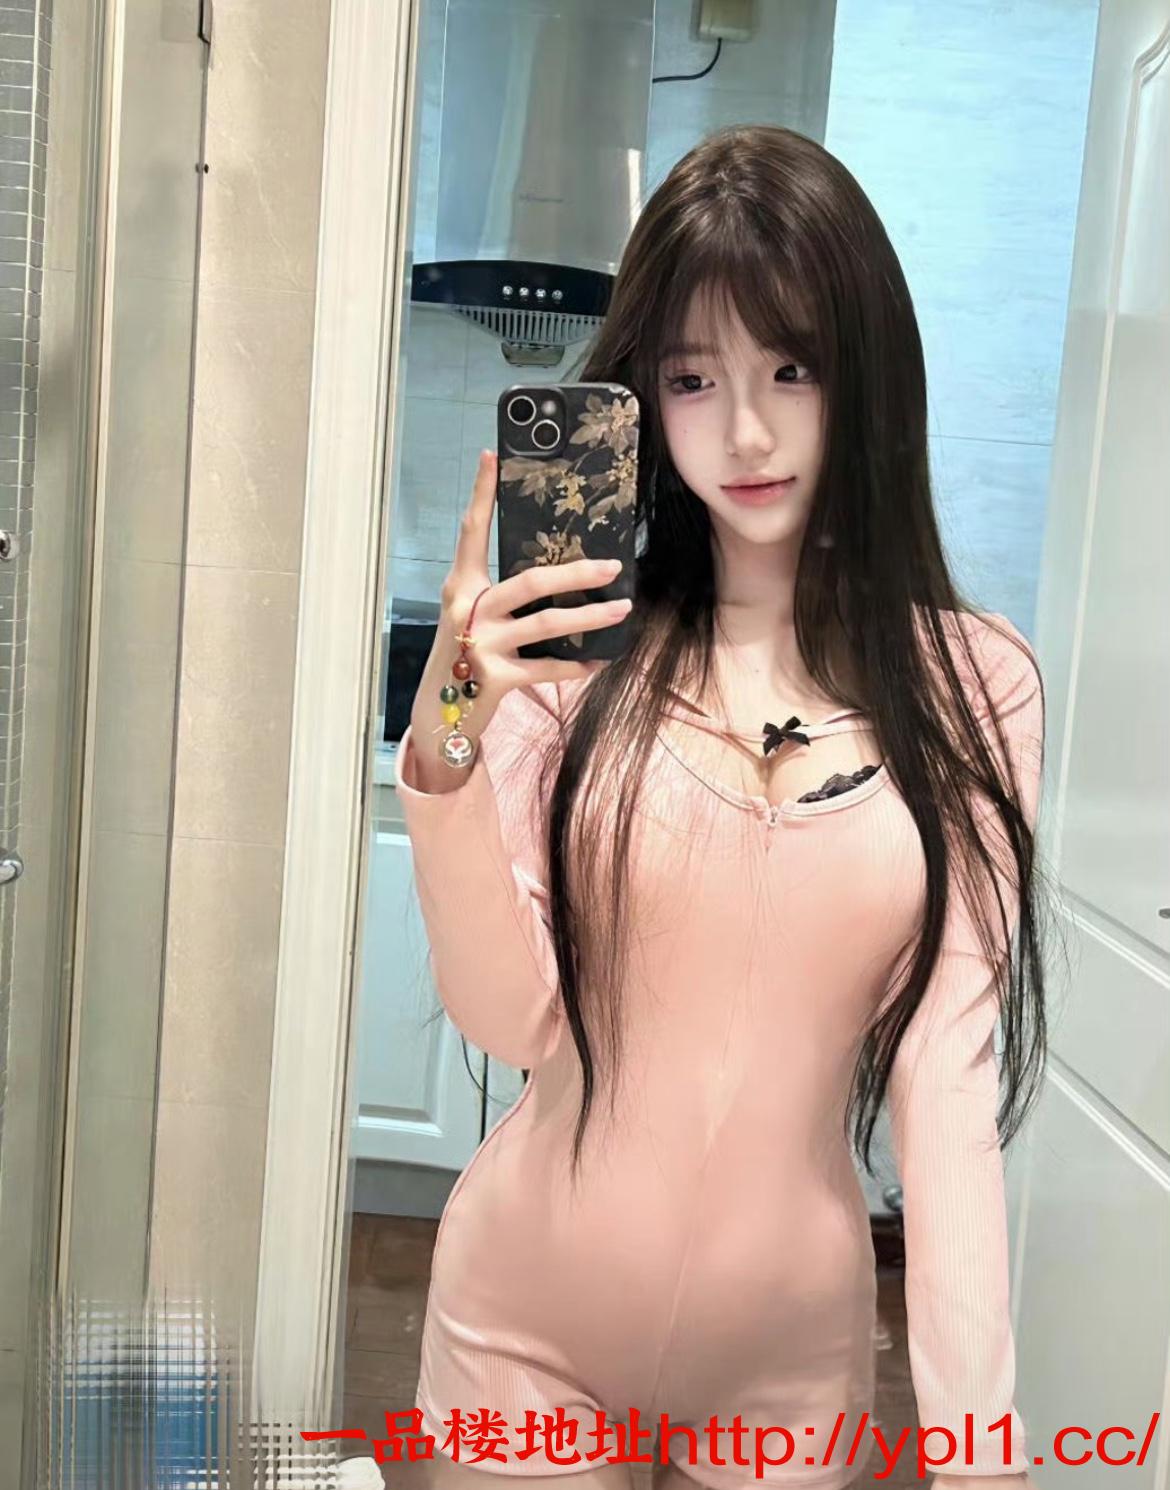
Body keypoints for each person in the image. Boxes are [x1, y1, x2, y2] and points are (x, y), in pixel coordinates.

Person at [394, 124, 1052, 1490]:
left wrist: (979, 1453)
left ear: (867, 374)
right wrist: (454, 708)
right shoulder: (576, 661)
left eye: (791, 367)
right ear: (644, 393)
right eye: (693, 377)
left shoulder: (976, 685)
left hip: (789, 1359)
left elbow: (945, 1085)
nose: (745, 431)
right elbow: (508, 1016)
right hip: (523, 1323)